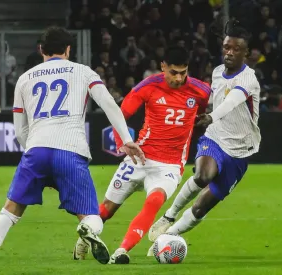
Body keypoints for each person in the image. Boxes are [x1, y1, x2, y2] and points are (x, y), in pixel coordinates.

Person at [0, 26, 145, 275]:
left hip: (36, 151)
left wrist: (35, 155)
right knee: (91, 217)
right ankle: (87, 230)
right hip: (70, 150)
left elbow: (19, 131)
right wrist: (126, 138)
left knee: (9, 212)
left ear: (41, 50)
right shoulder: (82, 72)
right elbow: (109, 104)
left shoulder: (26, 78)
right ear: (68, 50)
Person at [73, 46, 212, 264]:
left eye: (183, 73)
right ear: (163, 67)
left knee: (154, 201)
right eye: (173, 72)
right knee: (107, 210)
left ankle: (122, 251)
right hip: (139, 158)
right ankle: (86, 237)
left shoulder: (200, 90)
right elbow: (121, 113)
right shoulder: (148, 86)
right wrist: (123, 143)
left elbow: (203, 112)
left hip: (170, 165)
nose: (178, 78)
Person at [148, 19, 261, 244]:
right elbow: (214, 100)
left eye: (236, 49)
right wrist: (202, 113)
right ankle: (168, 216)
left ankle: (169, 238)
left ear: (245, 53)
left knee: (201, 208)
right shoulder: (218, 72)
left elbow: (231, 101)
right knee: (203, 175)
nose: (229, 52)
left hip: (240, 150)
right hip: (215, 137)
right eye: (227, 47)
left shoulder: (249, 79)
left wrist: (211, 116)